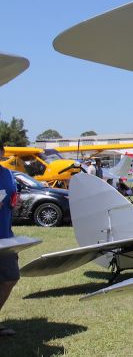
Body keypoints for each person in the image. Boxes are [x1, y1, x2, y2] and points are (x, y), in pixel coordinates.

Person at [0, 143, 19, 336]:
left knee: (10, 277)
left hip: (5, 236)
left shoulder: (7, 174)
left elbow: (10, 197)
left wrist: (14, 201)